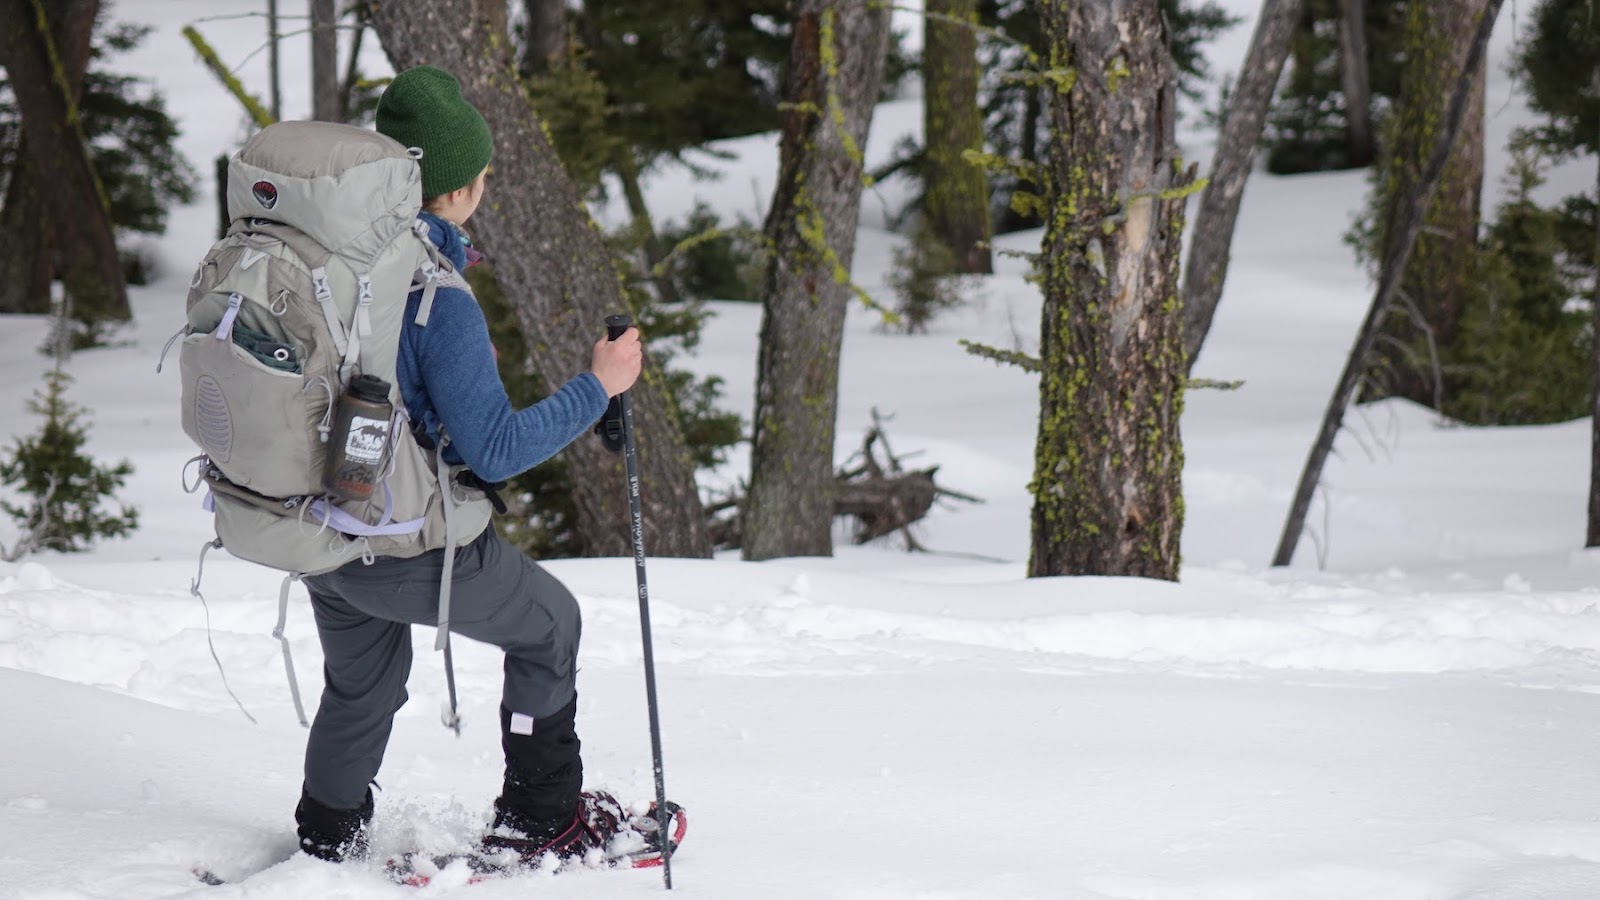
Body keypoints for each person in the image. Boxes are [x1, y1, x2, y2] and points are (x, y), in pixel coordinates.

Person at [290, 64, 645, 868]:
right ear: (456, 189)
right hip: (408, 538)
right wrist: (601, 385)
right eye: (480, 172)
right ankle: (539, 818)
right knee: (551, 625)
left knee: (364, 683)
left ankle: (323, 838)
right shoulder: (434, 295)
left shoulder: (334, 262)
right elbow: (496, 450)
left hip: (317, 532)